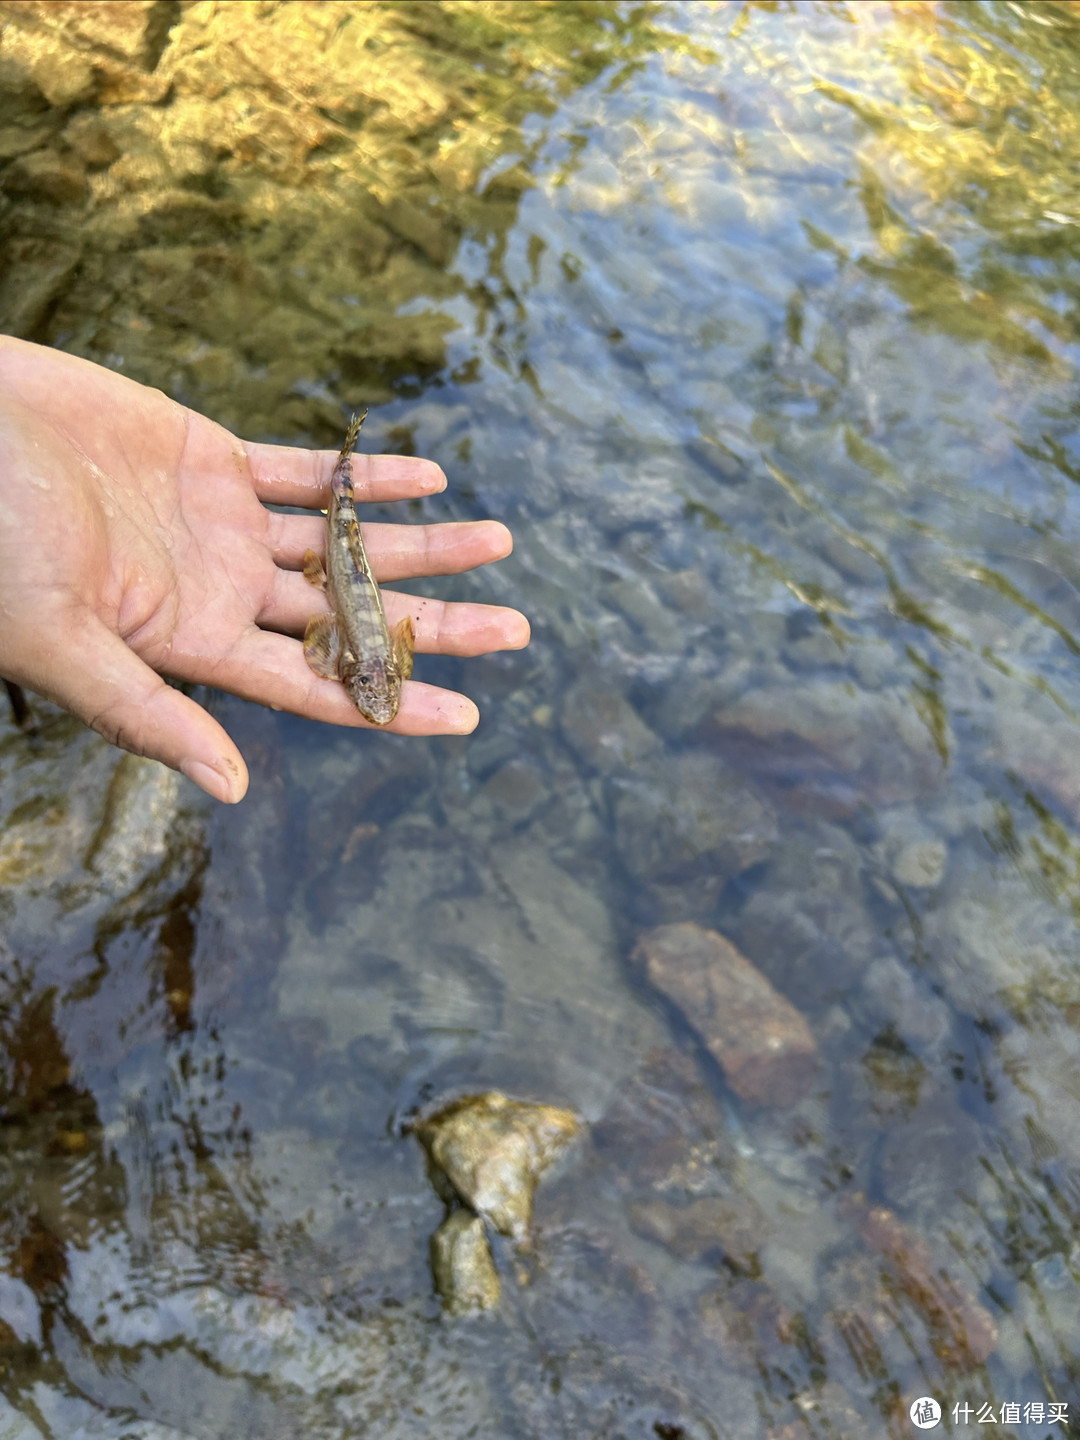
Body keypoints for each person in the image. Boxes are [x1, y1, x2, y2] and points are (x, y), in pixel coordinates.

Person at [0, 336, 530, 803]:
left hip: (342, 572)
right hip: (344, 571)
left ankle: (346, 458)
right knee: (344, 526)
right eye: (379, 694)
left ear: (390, 668)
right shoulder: (344, 661)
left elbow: (349, 634)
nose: (378, 699)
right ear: (390, 668)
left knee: (344, 528)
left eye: (376, 693)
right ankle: (346, 461)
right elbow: (333, 635)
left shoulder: (354, 659)